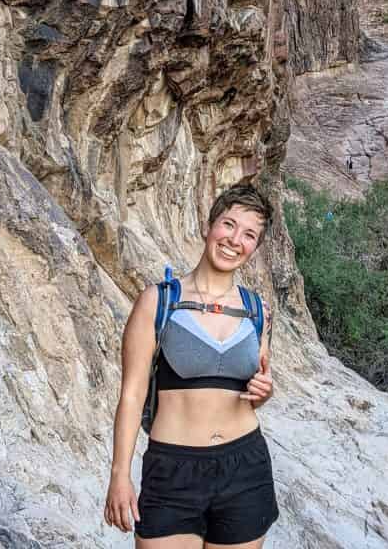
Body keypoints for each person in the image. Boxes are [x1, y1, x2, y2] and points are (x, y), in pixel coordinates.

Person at [105, 183, 279, 548]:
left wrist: (264, 392)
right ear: (208, 226)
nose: (235, 240)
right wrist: (120, 474)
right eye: (228, 224)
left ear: (255, 248)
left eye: (249, 234)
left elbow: (254, 386)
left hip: (245, 467)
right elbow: (133, 395)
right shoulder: (158, 301)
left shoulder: (257, 310)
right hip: (172, 470)